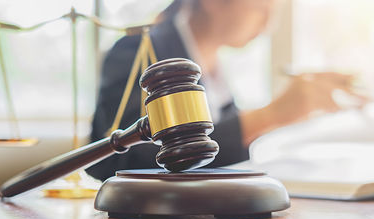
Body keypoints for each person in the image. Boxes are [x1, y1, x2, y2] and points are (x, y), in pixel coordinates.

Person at [86, 0, 363, 181]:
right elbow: (123, 160)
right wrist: (272, 114)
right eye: (261, 10)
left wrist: (291, 112)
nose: (268, 27)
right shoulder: (138, 50)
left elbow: (219, 149)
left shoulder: (213, 64)